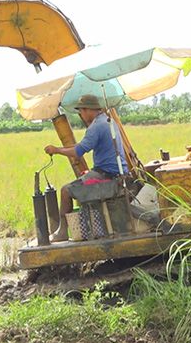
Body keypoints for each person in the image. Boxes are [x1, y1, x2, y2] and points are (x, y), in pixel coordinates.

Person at [43, 94, 128, 242]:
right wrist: (62, 148)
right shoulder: (108, 121)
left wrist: (56, 150)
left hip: (106, 175)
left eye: (81, 111)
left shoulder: (96, 126)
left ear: (88, 110)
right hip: (117, 172)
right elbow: (82, 145)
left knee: (65, 191)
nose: (81, 115)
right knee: (81, 181)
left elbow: (78, 152)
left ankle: (62, 232)